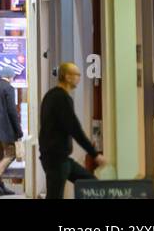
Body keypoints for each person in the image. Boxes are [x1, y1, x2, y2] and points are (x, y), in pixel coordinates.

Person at [39, 61, 105, 200]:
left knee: (90, 183)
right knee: (55, 196)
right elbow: (74, 128)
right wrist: (94, 154)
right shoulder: (61, 98)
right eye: (77, 75)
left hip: (59, 158)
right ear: (67, 77)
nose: (79, 78)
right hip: (56, 159)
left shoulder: (50, 96)